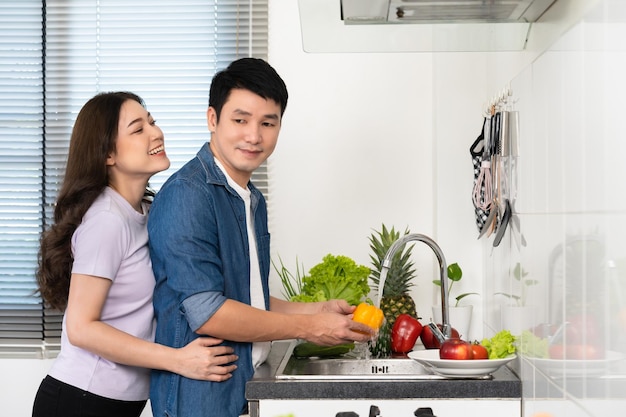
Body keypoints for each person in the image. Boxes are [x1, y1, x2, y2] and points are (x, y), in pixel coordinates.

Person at [147, 58, 374, 417]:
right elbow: (209, 313)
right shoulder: (188, 195)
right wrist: (309, 326)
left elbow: (244, 292)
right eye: (240, 120)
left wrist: (316, 309)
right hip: (200, 400)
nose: (254, 136)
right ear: (212, 119)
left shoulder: (250, 197)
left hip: (241, 388)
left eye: (268, 123)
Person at [32, 91, 238, 417]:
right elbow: (81, 328)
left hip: (116, 403)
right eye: (137, 128)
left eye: (152, 122)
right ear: (108, 154)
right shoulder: (107, 220)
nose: (155, 133)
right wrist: (178, 359)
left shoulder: (147, 211)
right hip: (80, 401)